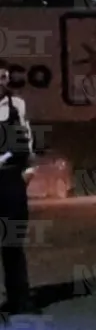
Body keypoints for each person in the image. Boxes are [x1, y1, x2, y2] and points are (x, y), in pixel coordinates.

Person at [0, 66, 35, 314]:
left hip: (11, 177)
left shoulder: (16, 105)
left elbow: (27, 136)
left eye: (3, 76)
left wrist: (29, 167)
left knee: (12, 240)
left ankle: (19, 300)